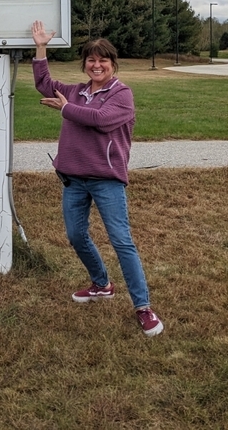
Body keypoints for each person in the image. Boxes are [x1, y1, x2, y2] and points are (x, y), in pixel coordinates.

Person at [31, 20, 163, 337]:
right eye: (91, 60)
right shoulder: (76, 92)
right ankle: (102, 284)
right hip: (73, 180)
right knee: (76, 236)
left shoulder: (122, 95)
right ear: (85, 65)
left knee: (122, 242)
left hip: (106, 181)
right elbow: (44, 84)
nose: (97, 64)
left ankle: (143, 308)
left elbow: (101, 120)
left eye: (103, 59)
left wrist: (66, 110)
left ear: (113, 64)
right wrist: (40, 47)